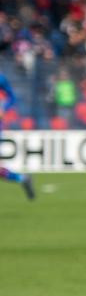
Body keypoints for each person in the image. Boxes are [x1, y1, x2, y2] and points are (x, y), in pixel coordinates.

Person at [0, 71, 34, 200]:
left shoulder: (1, 78)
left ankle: (23, 178)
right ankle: (23, 178)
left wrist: (3, 107)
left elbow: (12, 97)